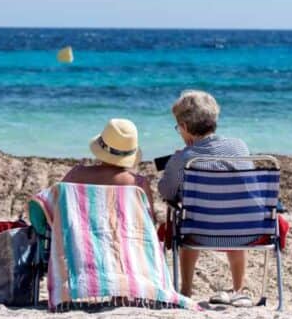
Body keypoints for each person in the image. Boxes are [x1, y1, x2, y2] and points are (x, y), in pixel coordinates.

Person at [158, 90, 252, 304]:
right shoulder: (239, 146)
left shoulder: (184, 158)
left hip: (199, 231)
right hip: (244, 228)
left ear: (184, 127)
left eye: (178, 128)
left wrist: (175, 164)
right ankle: (239, 289)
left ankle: (186, 289)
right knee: (231, 210)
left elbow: (166, 192)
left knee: (189, 216)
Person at [63, 118, 155, 216]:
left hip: (79, 231)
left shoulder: (76, 174)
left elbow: (55, 208)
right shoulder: (138, 184)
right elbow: (149, 222)